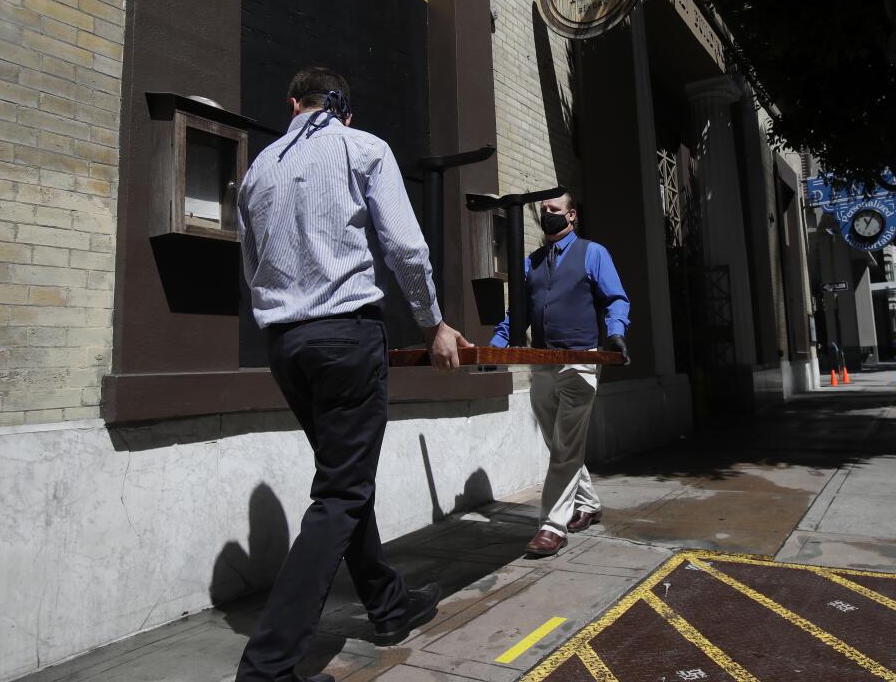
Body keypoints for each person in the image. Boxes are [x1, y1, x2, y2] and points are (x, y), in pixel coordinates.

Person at [235, 66, 471, 682]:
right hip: (344, 335)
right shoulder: (361, 147)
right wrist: (433, 324)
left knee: (345, 476)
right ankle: (267, 665)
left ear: (292, 103)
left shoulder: (257, 169)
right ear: (346, 110)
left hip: (285, 344)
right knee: (340, 492)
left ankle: (389, 605)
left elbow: (252, 262)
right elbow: (406, 247)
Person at [491, 193, 630, 557]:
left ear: (571, 215)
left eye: (553, 210)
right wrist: (495, 347)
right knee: (561, 444)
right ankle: (588, 503)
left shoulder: (592, 252)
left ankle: (552, 526)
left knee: (566, 445)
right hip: (543, 363)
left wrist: (616, 332)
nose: (546, 215)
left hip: (580, 361)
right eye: (543, 210)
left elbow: (615, 298)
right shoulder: (531, 262)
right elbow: (515, 314)